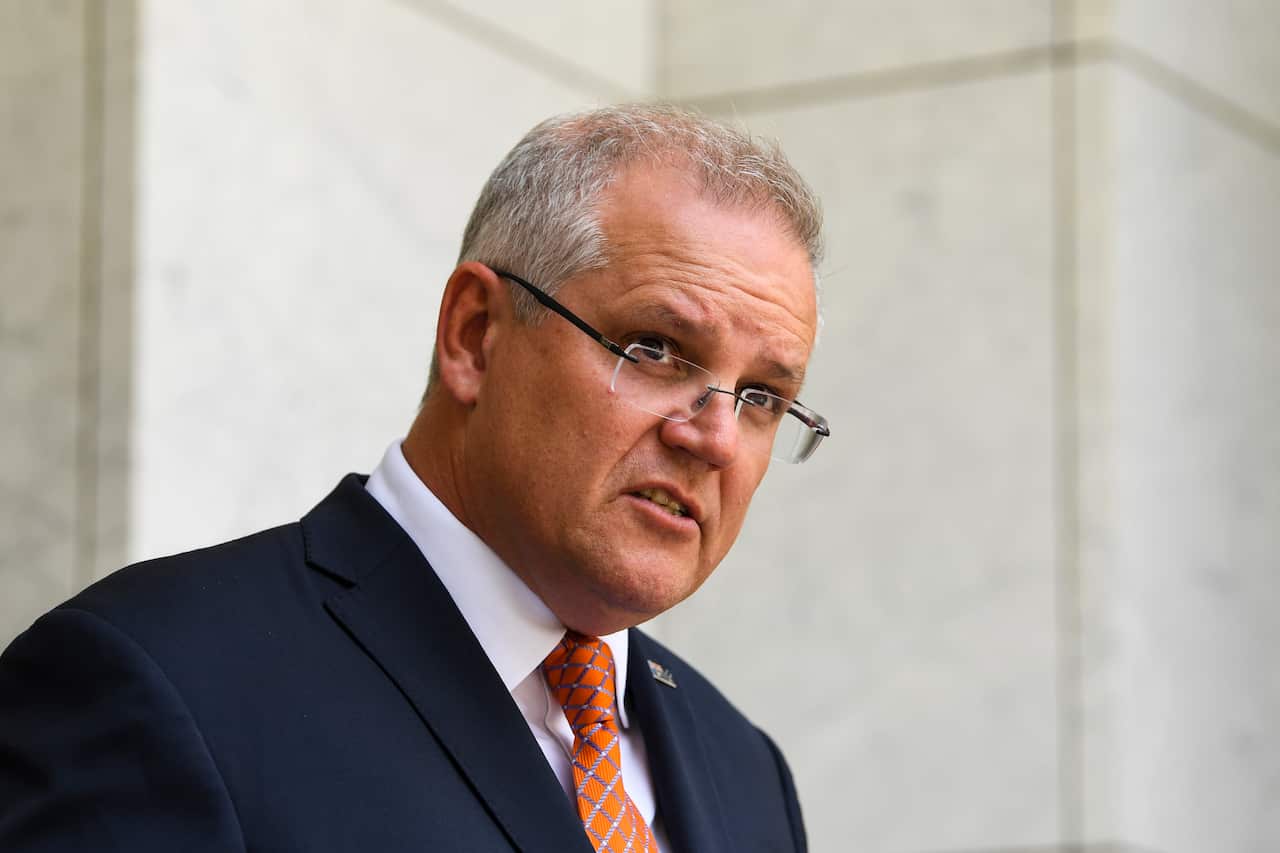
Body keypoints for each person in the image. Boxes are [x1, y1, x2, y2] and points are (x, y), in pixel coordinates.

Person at [0, 104, 830, 852]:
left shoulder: (746, 769)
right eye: (654, 349)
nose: (716, 438)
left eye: (763, 397)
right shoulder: (161, 679)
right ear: (474, 334)